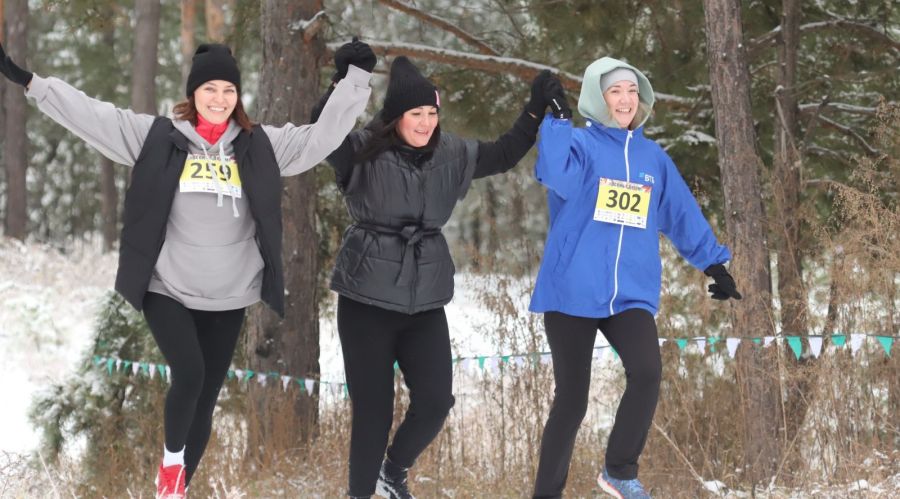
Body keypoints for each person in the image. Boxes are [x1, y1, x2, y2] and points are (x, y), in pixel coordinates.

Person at [0, 39, 375, 498]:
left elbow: (322, 136)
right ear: (193, 93)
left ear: (238, 96)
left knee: (204, 405)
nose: (220, 99)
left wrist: (356, 80)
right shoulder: (159, 136)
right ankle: (172, 465)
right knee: (190, 374)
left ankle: (173, 492)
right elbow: (92, 115)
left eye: (229, 91)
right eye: (210, 89)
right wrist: (30, 82)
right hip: (168, 287)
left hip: (229, 295)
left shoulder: (260, 145)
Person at [309, 56, 566, 498]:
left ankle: (392, 472)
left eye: (432, 113)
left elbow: (504, 154)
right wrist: (344, 80)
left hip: (424, 298)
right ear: (396, 117)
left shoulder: (452, 153)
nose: (426, 122)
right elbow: (320, 127)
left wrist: (535, 108)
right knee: (372, 411)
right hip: (366, 298)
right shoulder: (362, 149)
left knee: (434, 403)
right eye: (416, 114)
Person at [528, 57, 742, 499]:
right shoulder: (581, 148)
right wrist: (558, 121)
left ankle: (619, 470)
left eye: (632, 91)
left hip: (630, 294)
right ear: (597, 98)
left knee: (646, 372)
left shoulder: (652, 158)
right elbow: (552, 171)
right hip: (572, 291)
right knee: (572, 402)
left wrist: (714, 263)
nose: (626, 100)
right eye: (615, 91)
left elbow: (681, 214)